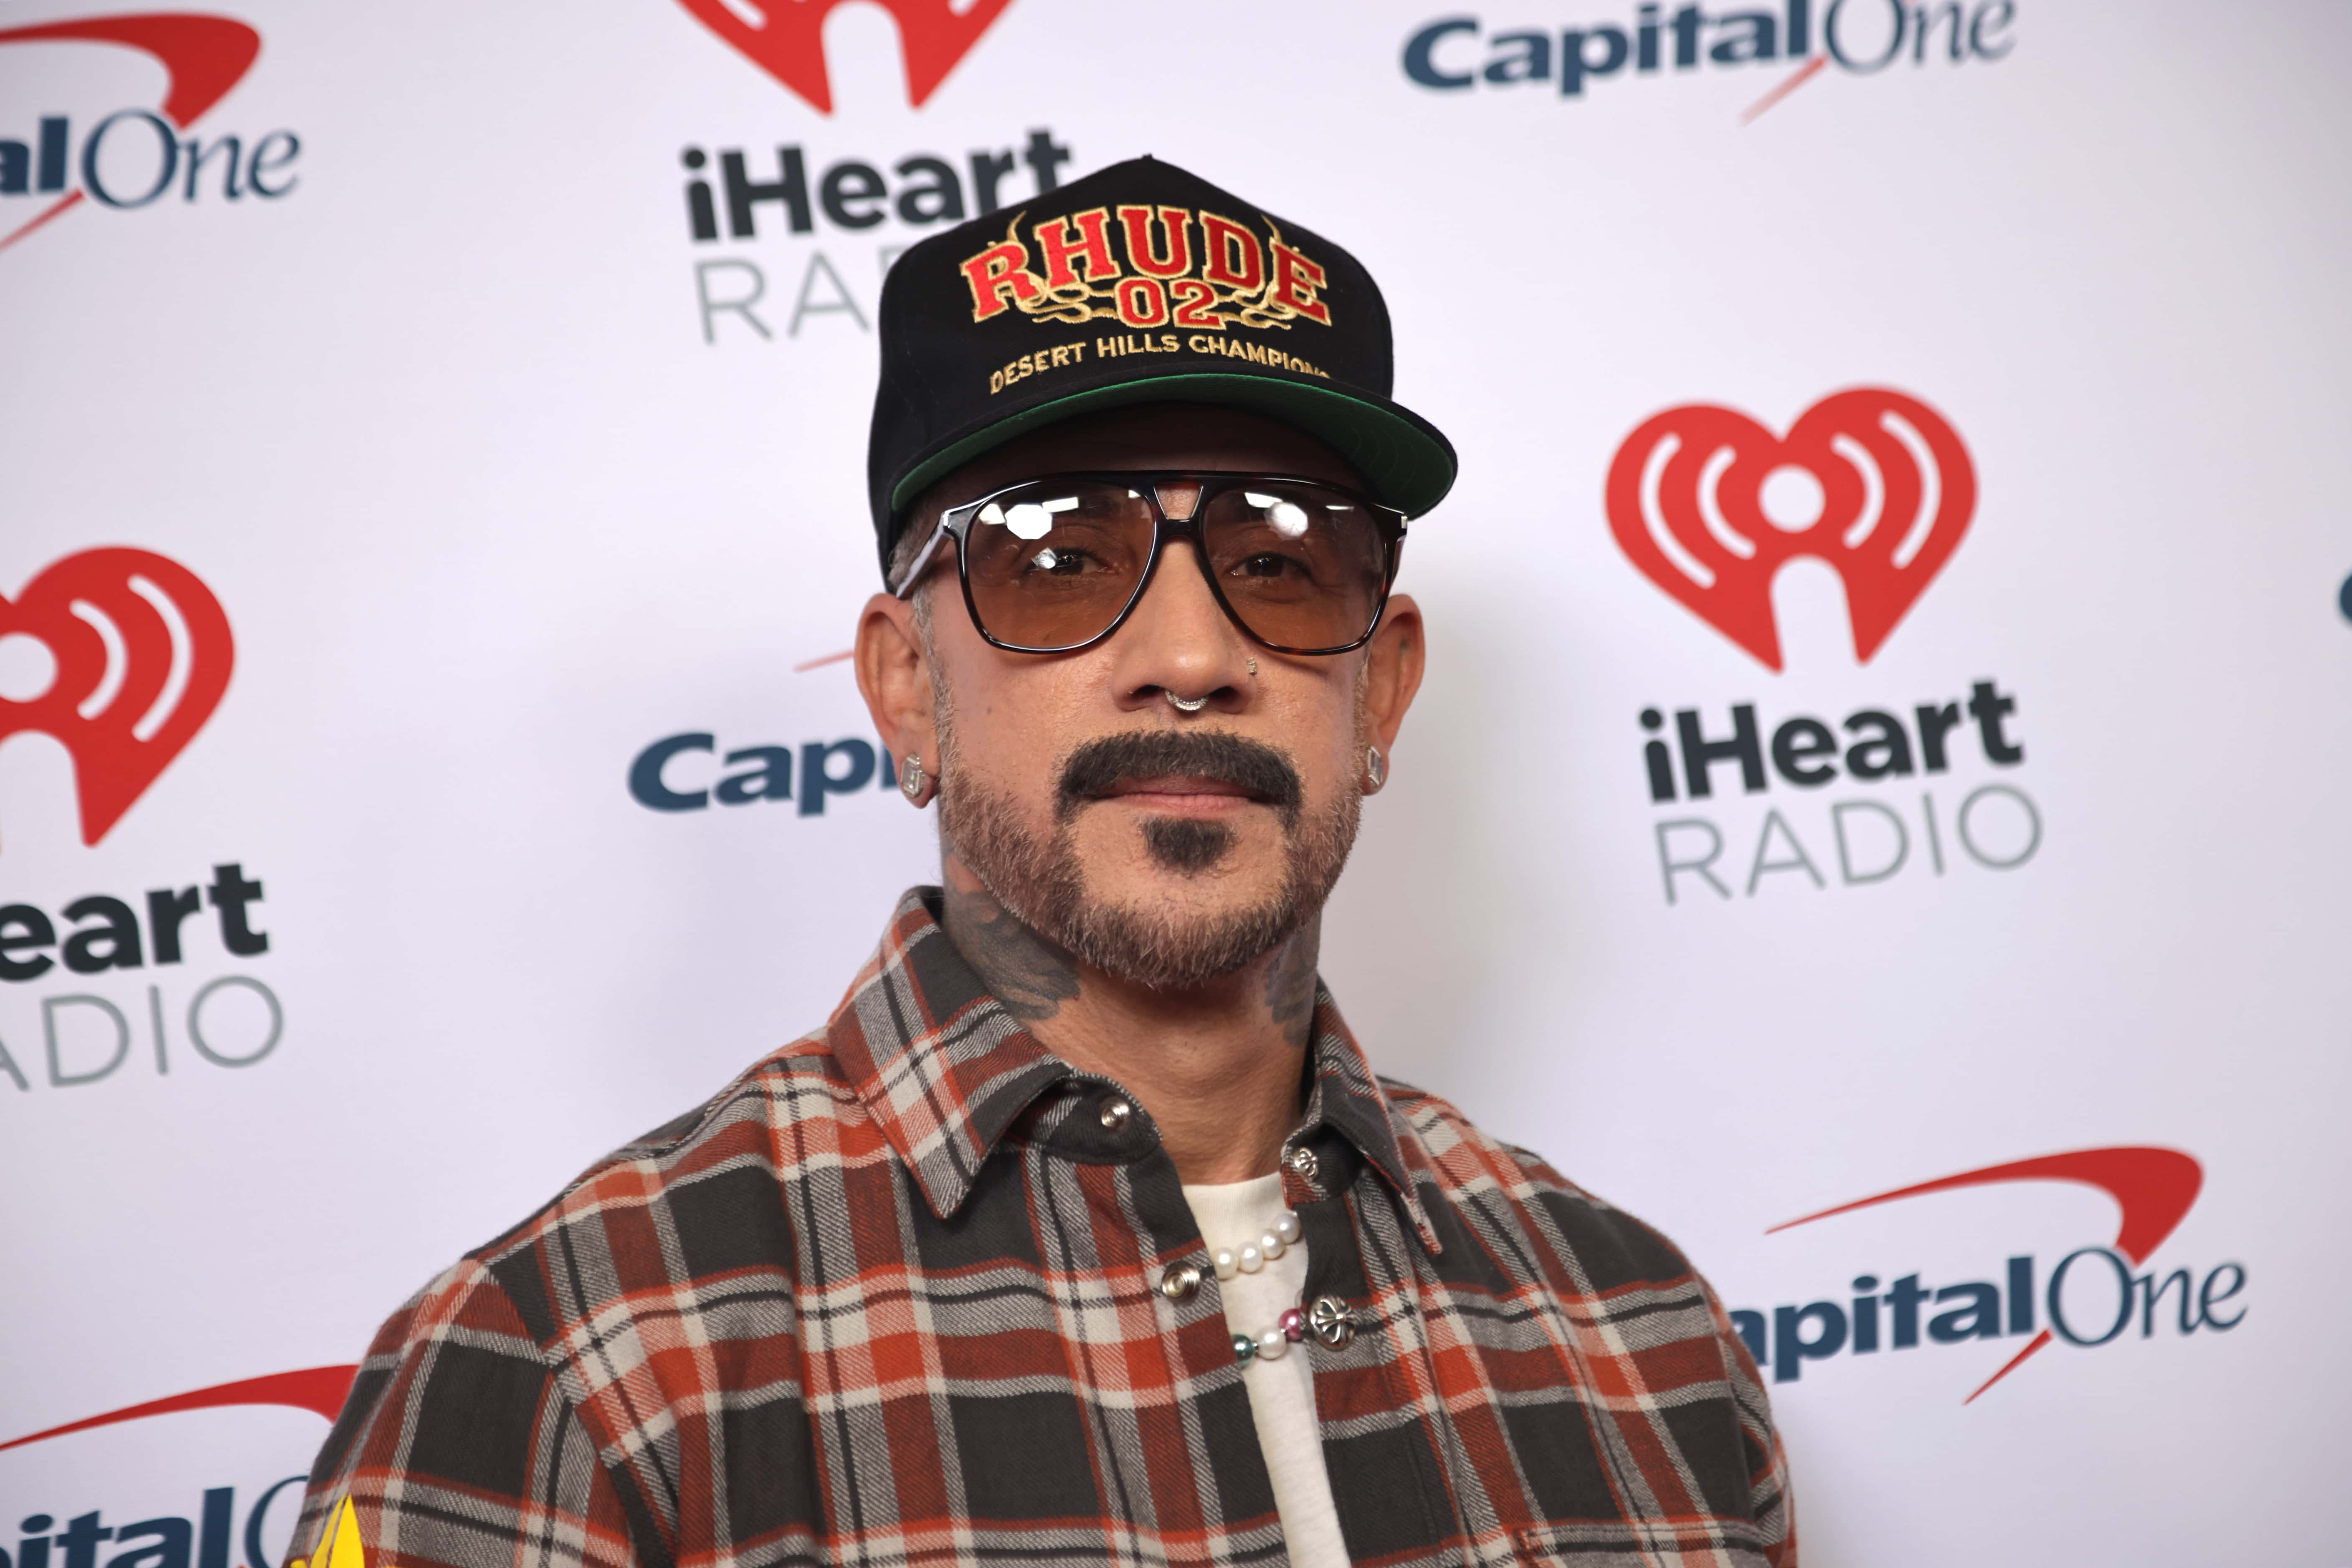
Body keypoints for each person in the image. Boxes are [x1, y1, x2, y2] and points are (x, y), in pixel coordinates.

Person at [292, 156, 1793, 1568]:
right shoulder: (570, 1366)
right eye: (1057, 560)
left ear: (1382, 689)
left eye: (1280, 557)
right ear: (903, 690)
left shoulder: (1640, 1330)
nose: (1194, 656)